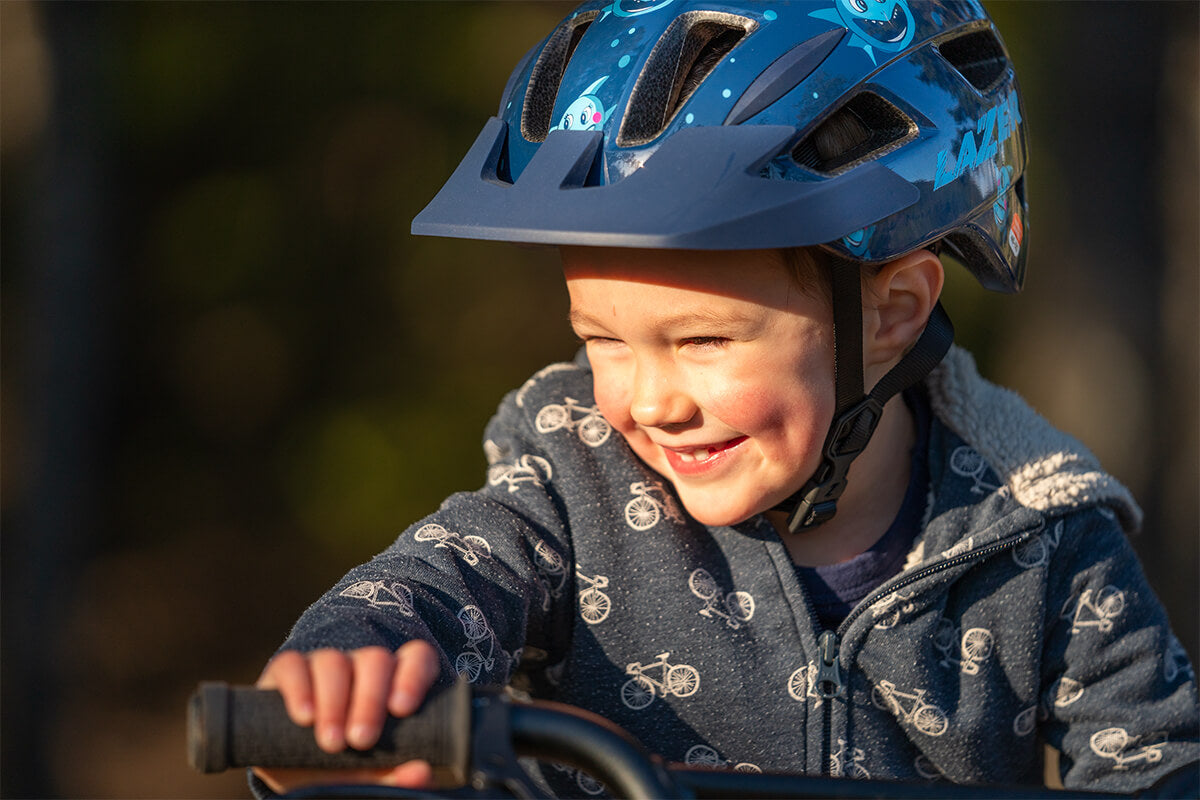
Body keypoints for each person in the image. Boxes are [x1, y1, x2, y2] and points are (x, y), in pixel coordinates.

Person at [251, 1, 1199, 796]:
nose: (650, 402)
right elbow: (433, 586)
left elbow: (1159, 755)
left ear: (894, 314)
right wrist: (355, 666)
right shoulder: (569, 497)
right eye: (602, 341)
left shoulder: (1037, 538)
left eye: (704, 342)